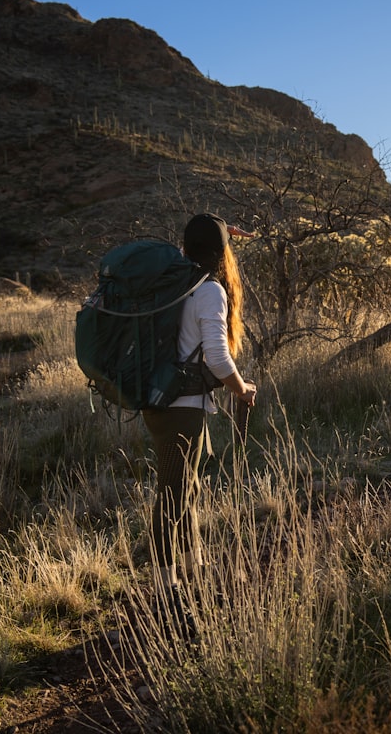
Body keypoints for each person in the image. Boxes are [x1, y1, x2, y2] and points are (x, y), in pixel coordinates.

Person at [141, 213, 257, 588]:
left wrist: (223, 231)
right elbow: (219, 358)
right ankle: (164, 585)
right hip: (182, 408)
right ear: (219, 254)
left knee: (186, 487)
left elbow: (198, 234)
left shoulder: (177, 278)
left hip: (163, 400)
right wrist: (242, 390)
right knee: (173, 493)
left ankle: (195, 564)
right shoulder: (209, 290)